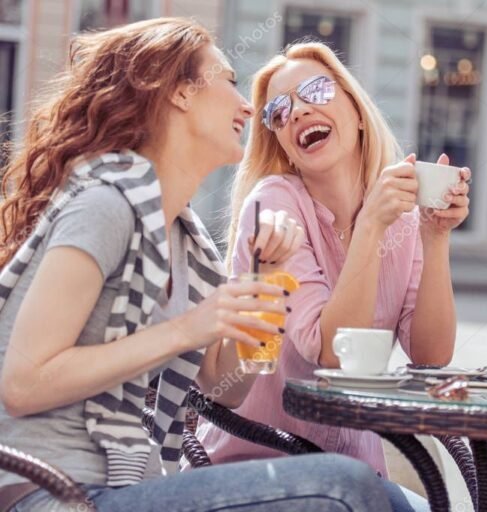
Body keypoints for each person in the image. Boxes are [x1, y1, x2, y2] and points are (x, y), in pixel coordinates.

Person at [0, 18, 396, 512]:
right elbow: (22, 384)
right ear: (181, 94)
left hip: (125, 487)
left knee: (378, 493)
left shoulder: (183, 240)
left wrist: (267, 285)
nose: (248, 107)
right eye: (229, 81)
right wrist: (189, 328)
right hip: (50, 492)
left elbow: (226, 387)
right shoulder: (104, 205)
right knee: (344, 484)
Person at [196, 41, 470, 509]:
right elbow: (331, 353)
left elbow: (430, 354)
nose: (298, 112)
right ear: (280, 140)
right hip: (261, 466)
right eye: (279, 111)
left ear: (358, 111)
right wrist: (371, 228)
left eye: (316, 91)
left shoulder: (398, 217)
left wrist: (434, 236)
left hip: (357, 473)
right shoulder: (274, 204)